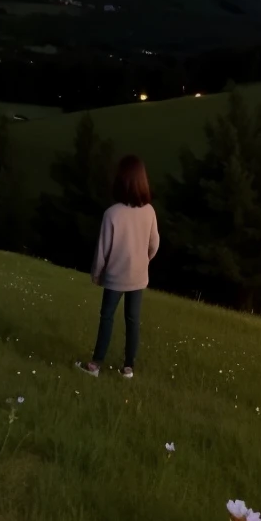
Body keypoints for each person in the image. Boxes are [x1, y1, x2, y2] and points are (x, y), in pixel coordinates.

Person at [80, 153, 159, 378]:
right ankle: (128, 367)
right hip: (138, 277)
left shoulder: (112, 214)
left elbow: (102, 251)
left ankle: (96, 364)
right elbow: (154, 244)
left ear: (120, 181)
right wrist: (143, 262)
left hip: (115, 278)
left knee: (107, 318)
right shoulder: (149, 211)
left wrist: (96, 275)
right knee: (132, 321)